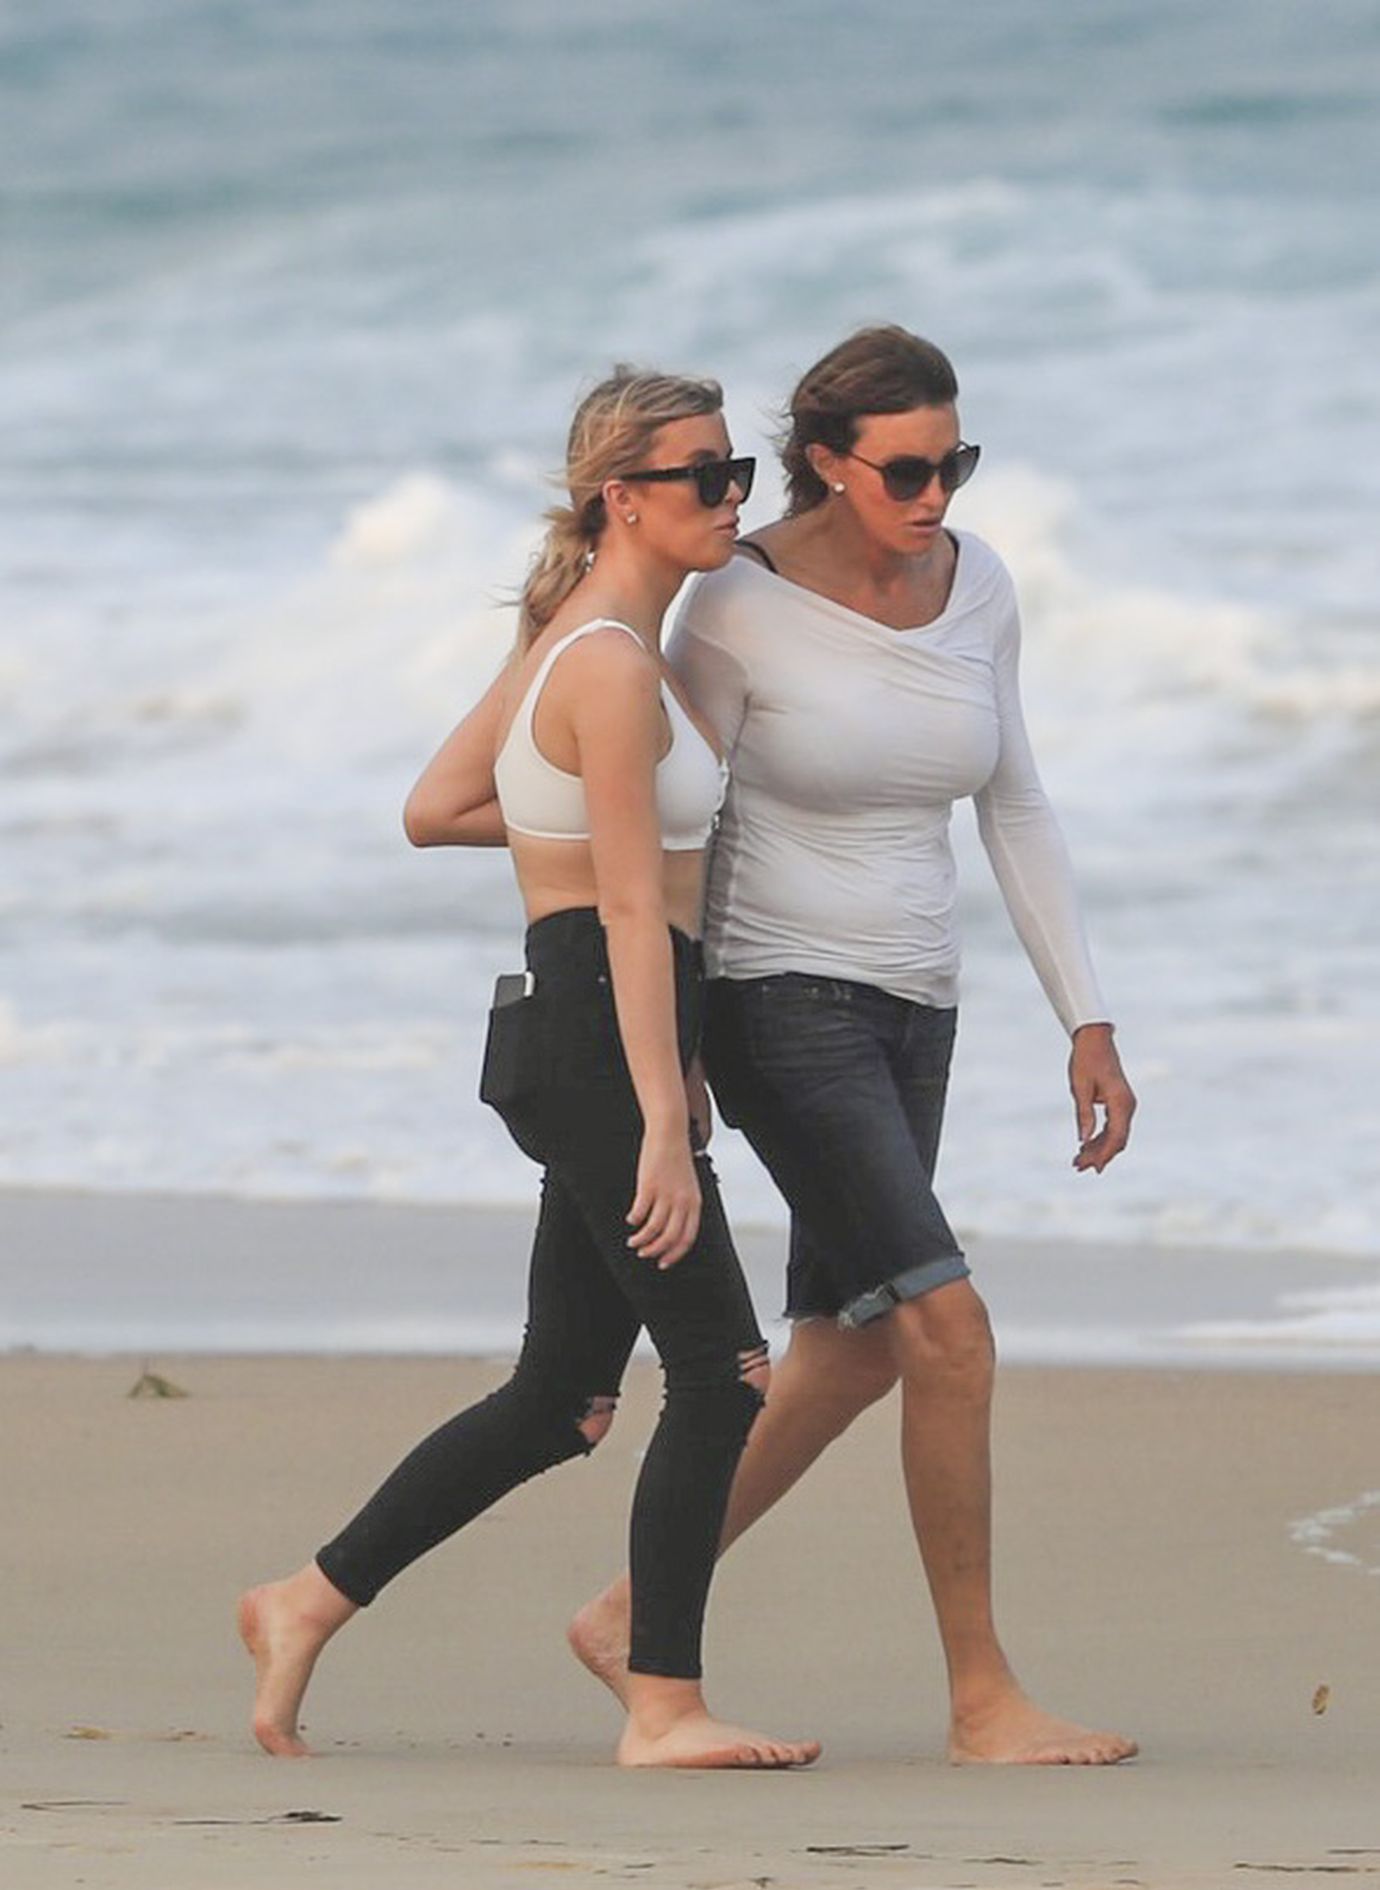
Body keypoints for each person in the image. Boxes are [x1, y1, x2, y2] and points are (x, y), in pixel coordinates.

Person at [569, 327, 1139, 1766]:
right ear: (826, 463)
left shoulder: (977, 583)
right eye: (905, 471)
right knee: (948, 1331)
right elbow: (677, 829)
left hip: (915, 1006)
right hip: (779, 1001)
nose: (936, 494)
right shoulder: (737, 607)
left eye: (956, 463)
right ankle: (982, 1698)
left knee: (850, 1349)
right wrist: (675, 1053)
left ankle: (633, 1611)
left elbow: (1015, 802)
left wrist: (1085, 1014)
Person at [238, 366, 820, 1772]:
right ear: (625, 496)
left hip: (586, 1029)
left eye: (737, 473)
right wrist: (667, 1118)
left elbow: (437, 808)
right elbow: (627, 910)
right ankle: (663, 1702)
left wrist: (572, 823)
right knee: (725, 1373)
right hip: (606, 1039)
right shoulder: (607, 663)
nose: (732, 498)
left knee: (566, 1397)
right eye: (703, 476)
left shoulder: (583, 640)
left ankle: (303, 1601)